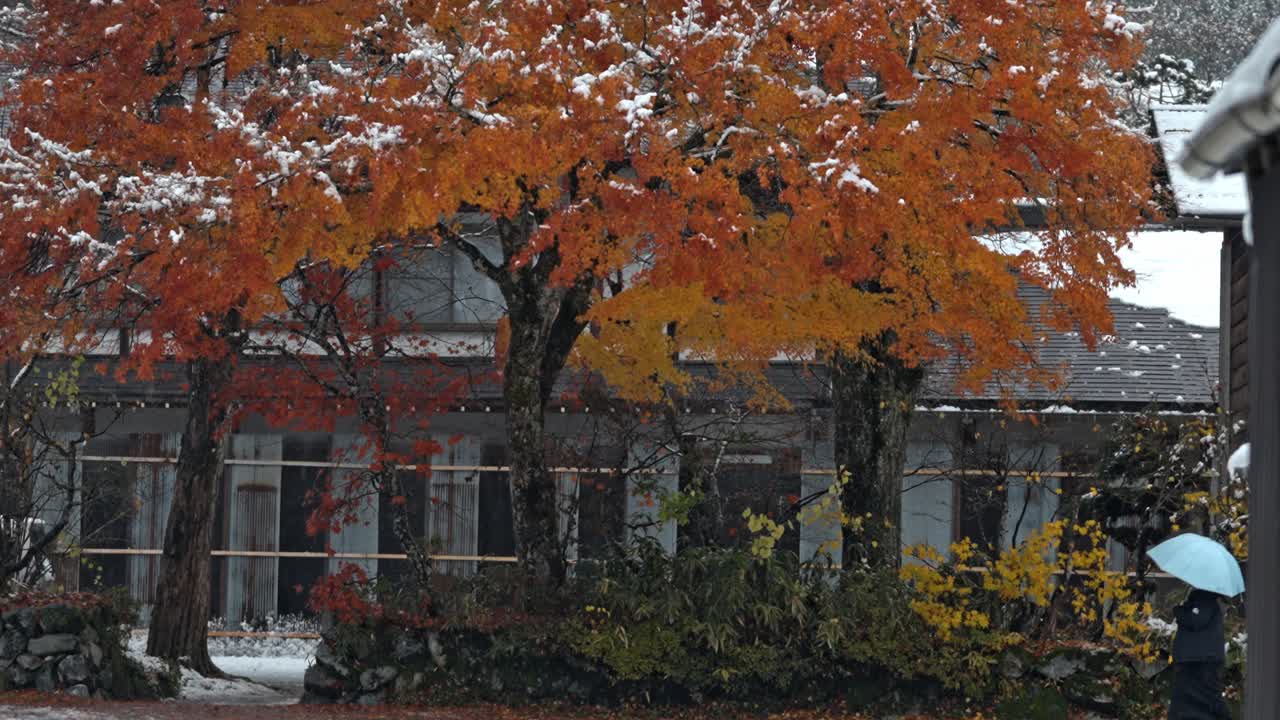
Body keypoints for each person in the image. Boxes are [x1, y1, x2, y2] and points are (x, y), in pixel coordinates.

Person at [1169, 588, 1230, 720]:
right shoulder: (1204, 596)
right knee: (1200, 700)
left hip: (1200, 659)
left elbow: (1196, 620)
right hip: (1198, 658)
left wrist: (1178, 611)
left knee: (1208, 699)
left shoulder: (1205, 595)